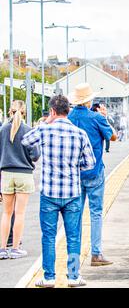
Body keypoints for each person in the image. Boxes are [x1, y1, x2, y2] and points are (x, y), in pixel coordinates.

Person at [22, 95, 96, 288]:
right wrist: (73, 166)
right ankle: (73, 277)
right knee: (73, 236)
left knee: (48, 236)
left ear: (52, 111)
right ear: (68, 111)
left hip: (49, 194)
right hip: (72, 194)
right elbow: (90, 163)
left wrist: (46, 122)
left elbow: (25, 140)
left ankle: (49, 278)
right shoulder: (80, 133)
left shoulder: (45, 130)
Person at [68, 83, 117, 266]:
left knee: (76, 213)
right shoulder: (97, 117)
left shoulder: (69, 117)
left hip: (73, 173)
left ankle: (74, 255)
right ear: (89, 100)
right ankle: (96, 254)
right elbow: (113, 137)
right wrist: (105, 118)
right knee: (95, 213)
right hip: (94, 171)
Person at [0, 101, 40, 259]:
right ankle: (16, 249)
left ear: (10, 111)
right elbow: (36, 155)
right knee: (20, 213)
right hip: (24, 174)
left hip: (6, 174)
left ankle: (2, 249)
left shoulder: (2, 130)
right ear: (24, 113)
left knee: (6, 213)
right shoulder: (29, 130)